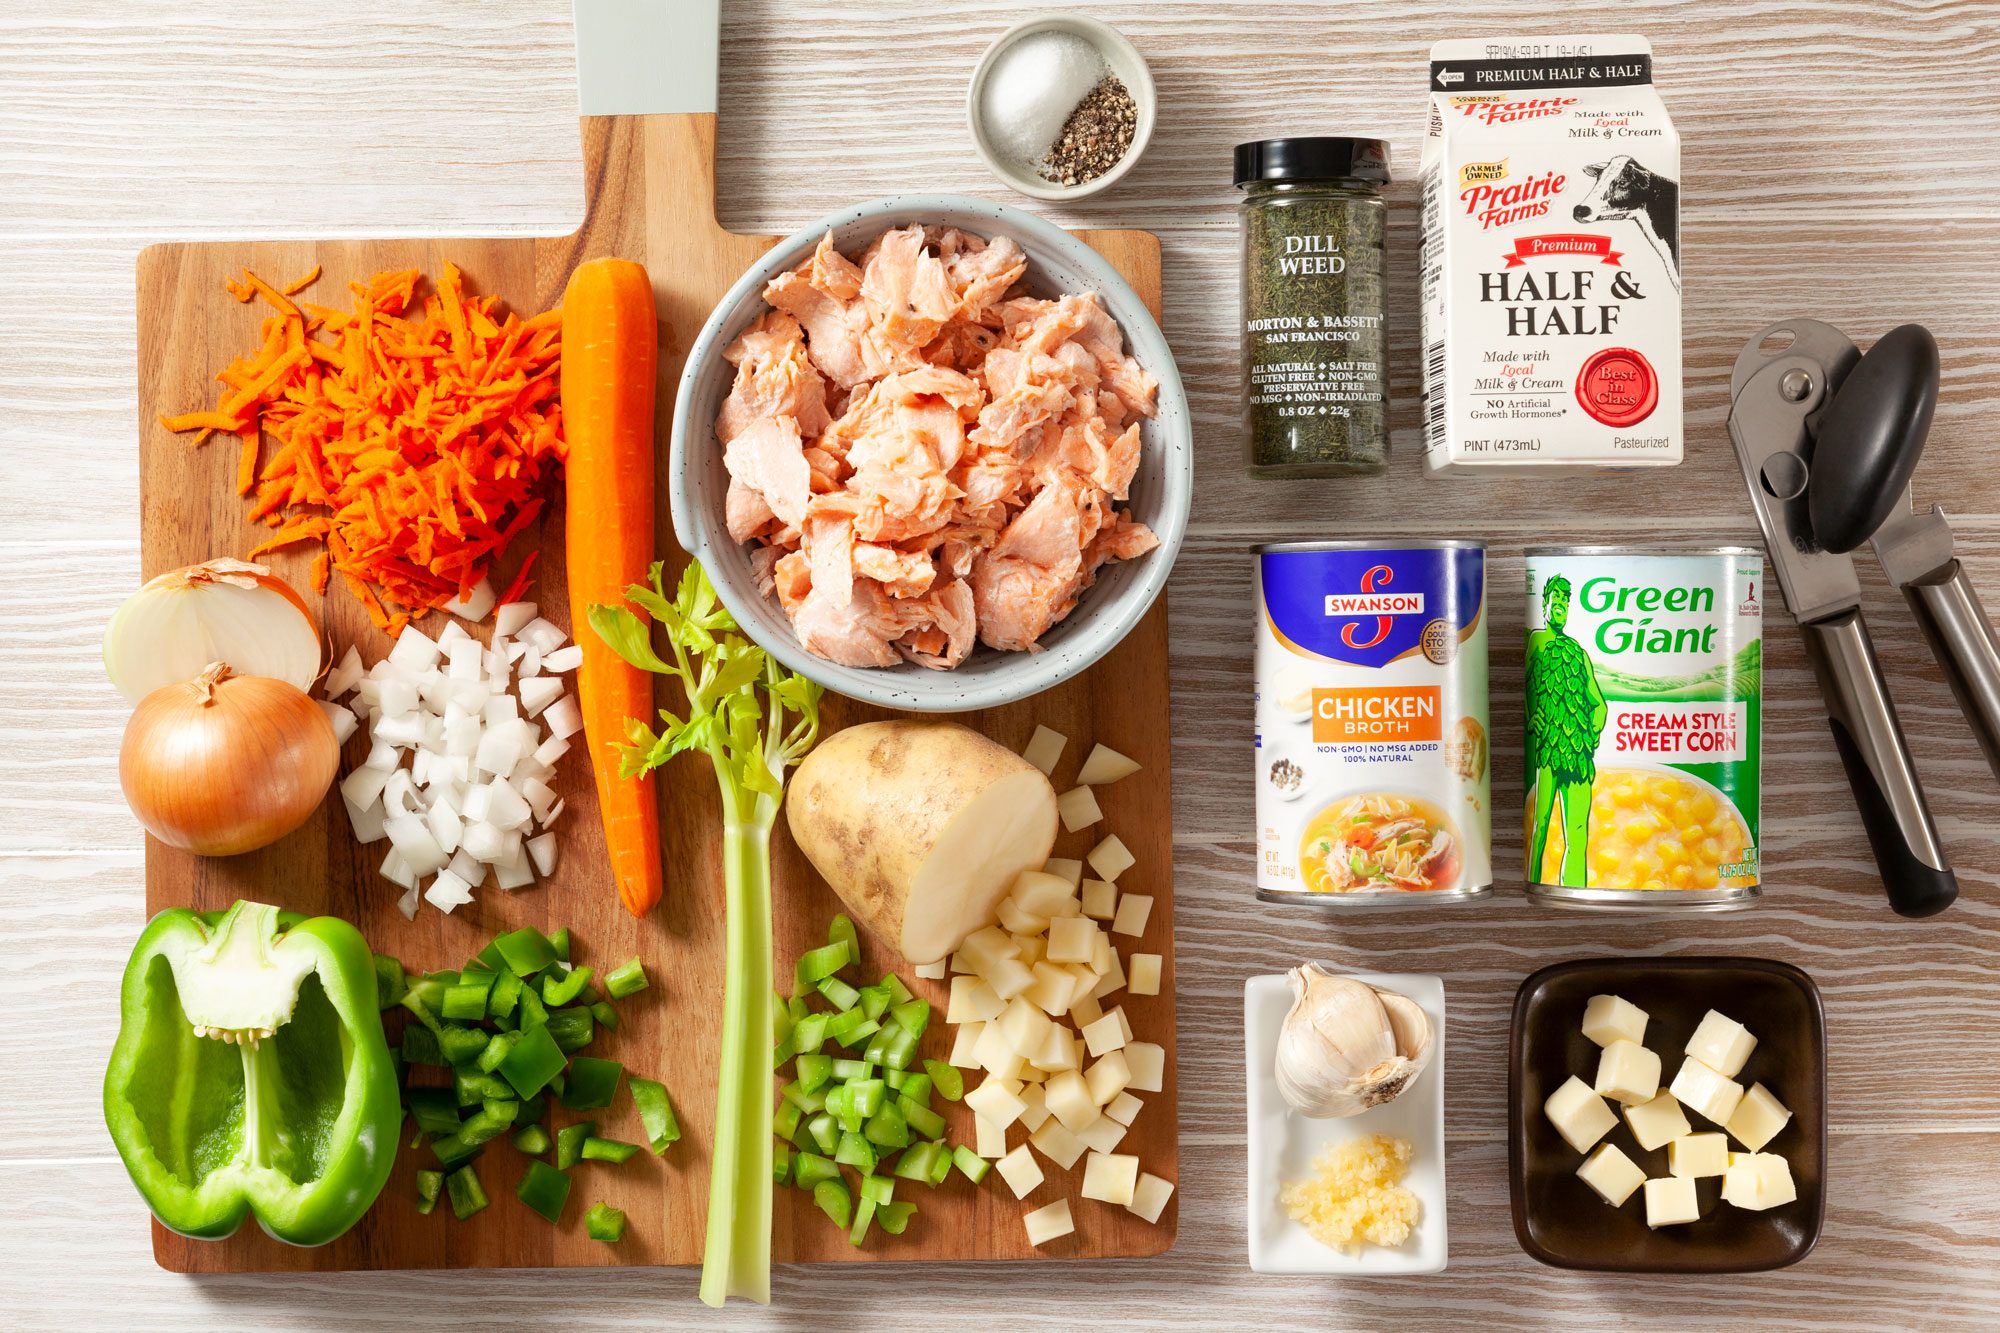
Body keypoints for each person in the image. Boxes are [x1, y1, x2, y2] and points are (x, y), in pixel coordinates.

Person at [1526, 574, 1605, 885]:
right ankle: (1536, 879)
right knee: (1541, 823)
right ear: (1544, 605)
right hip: (1548, 749)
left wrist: (1591, 733)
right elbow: (1526, 683)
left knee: (1578, 832)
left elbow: (1598, 703)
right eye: (1554, 601)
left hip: (1578, 754)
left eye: (1564, 603)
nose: (1559, 608)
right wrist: (1532, 716)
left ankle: (1574, 887)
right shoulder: (1537, 641)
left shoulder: (1577, 651)